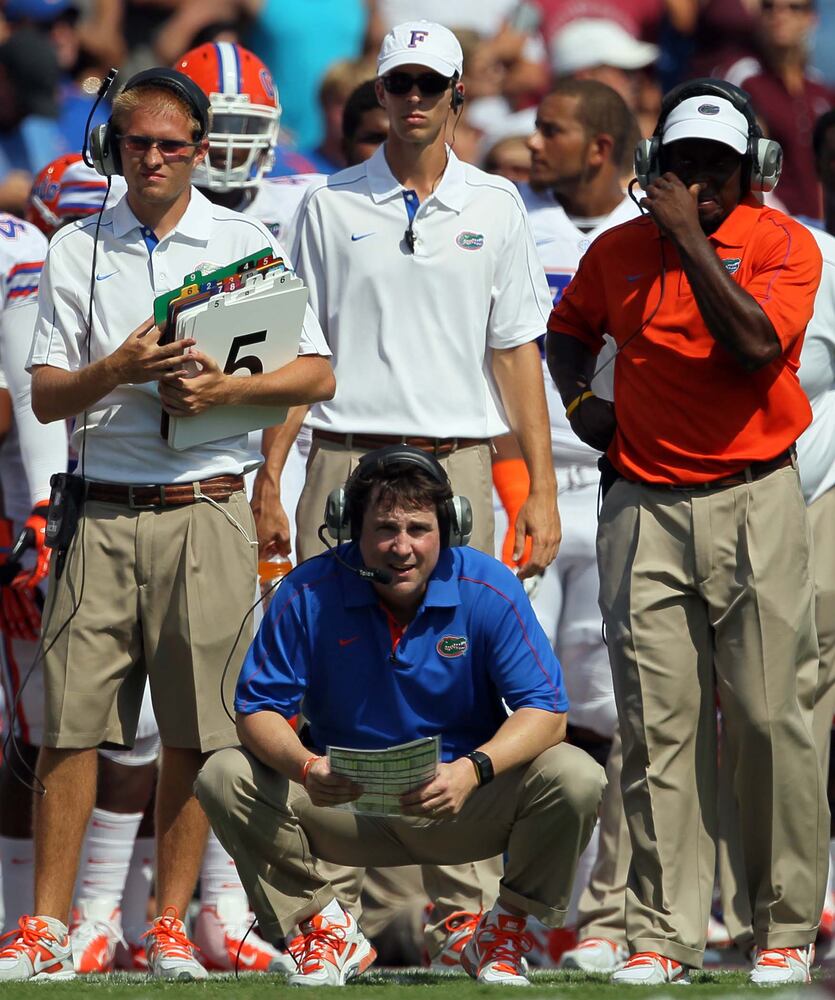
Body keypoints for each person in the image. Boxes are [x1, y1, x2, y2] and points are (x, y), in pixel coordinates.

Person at [0, 66, 333, 983]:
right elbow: (45, 395)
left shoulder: (243, 239)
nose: (152, 159)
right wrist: (118, 369)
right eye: (137, 143)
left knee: (197, 731)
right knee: (70, 727)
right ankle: (46, 925)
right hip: (101, 503)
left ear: (198, 152)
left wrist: (223, 392)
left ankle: (169, 925)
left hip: (207, 503)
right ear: (112, 148)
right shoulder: (76, 246)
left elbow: (315, 373)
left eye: (170, 146)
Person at [546, 78, 828, 985]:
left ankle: (782, 925)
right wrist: (581, 402)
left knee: (767, 718)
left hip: (754, 496)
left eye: (718, 166)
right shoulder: (614, 250)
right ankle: (663, 934)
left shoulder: (783, 244)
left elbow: (753, 345)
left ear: (755, 171)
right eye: (683, 163)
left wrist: (686, 241)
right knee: (655, 727)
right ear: (651, 165)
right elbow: (566, 328)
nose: (700, 181)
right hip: (642, 504)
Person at [195, 445, 605, 987]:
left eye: (419, 528)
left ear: (450, 528)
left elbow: (547, 712)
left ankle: (503, 931)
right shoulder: (306, 591)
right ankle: (322, 926)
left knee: (576, 775)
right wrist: (306, 767)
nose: (402, 547)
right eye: (385, 529)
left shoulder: (488, 586)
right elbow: (257, 710)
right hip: (340, 804)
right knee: (223, 774)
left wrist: (473, 770)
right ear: (350, 528)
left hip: (459, 802)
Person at [289, 20, 557, 571]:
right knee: (329, 626)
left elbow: (514, 351)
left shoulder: (498, 201)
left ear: (457, 93)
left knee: (456, 626)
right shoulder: (325, 203)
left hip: (456, 457)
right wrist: (270, 479)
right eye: (400, 82)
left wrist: (542, 488)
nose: (415, 96)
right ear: (380, 91)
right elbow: (297, 350)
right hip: (344, 453)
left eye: (430, 83)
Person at [512, 77, 640, 974]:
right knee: (515, 704)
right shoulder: (513, 225)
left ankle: (592, 910)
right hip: (527, 480)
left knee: (604, 711)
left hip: (622, 479)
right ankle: (509, 910)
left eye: (549, 131)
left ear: (599, 146)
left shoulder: (652, 233)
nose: (531, 145)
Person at [0, 206, 67, 935]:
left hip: (50, 513)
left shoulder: (21, 250)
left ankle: (91, 914)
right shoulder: (22, 260)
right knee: (31, 728)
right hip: (27, 514)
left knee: (67, 726)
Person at [723, 0, 834, 218]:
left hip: (821, 226)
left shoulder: (821, 91)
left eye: (794, 7)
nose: (779, 14)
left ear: (811, 18)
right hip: (771, 222)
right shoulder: (744, 82)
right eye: (769, 6)